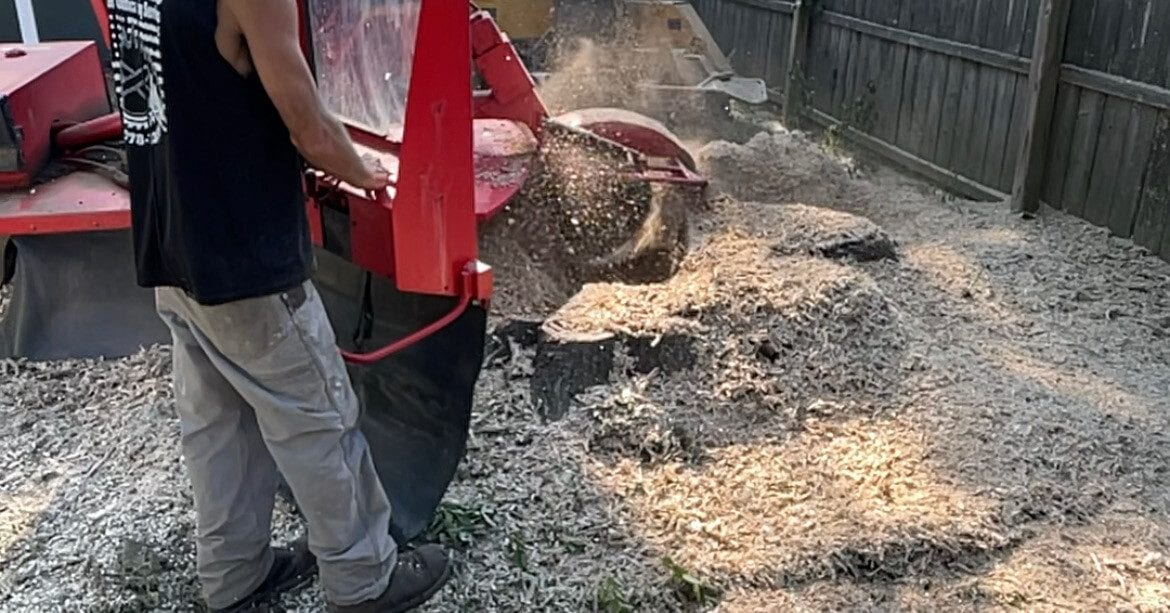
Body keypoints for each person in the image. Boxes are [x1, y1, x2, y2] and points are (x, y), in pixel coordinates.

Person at [105, 0, 451, 611]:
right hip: (242, 258)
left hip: (173, 243)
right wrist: (366, 171)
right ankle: (364, 578)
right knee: (318, 419)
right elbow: (310, 127)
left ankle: (235, 580)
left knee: (220, 428)